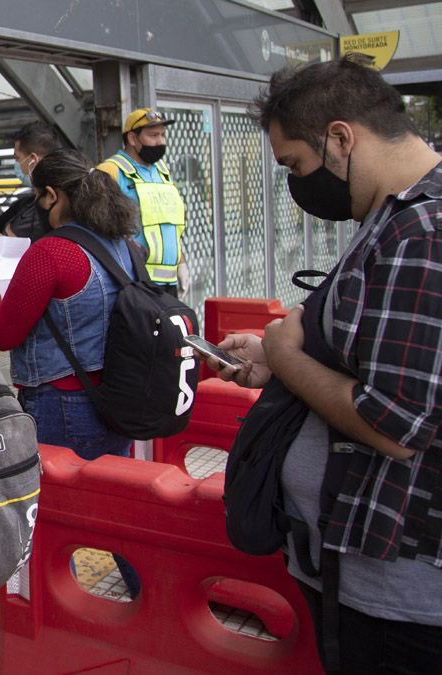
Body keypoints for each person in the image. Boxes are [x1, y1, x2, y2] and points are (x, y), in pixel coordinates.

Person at [207, 57, 441, 671]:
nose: (297, 184)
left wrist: (286, 354)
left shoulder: (424, 233)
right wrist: (275, 359)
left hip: (402, 598)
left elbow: (394, 426)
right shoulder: (392, 216)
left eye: (296, 166)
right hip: (361, 568)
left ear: (341, 137)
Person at [0, 148, 143, 599]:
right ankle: (148, 593)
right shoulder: (123, 245)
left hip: (59, 406)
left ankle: (41, 611)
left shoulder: (51, 253)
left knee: (45, 517)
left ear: (50, 195)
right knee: (115, 509)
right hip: (117, 399)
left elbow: (4, 332)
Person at [96, 108, 190, 297]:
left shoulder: (162, 171)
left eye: (163, 135)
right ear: (132, 138)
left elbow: (170, 225)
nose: (161, 141)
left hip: (169, 282)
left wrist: (181, 262)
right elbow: (97, 227)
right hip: (134, 281)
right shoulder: (110, 171)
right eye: (153, 135)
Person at [0, 121, 61, 241]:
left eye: (18, 158)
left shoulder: (41, 214)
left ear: (33, 160)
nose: (17, 164)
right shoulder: (24, 204)